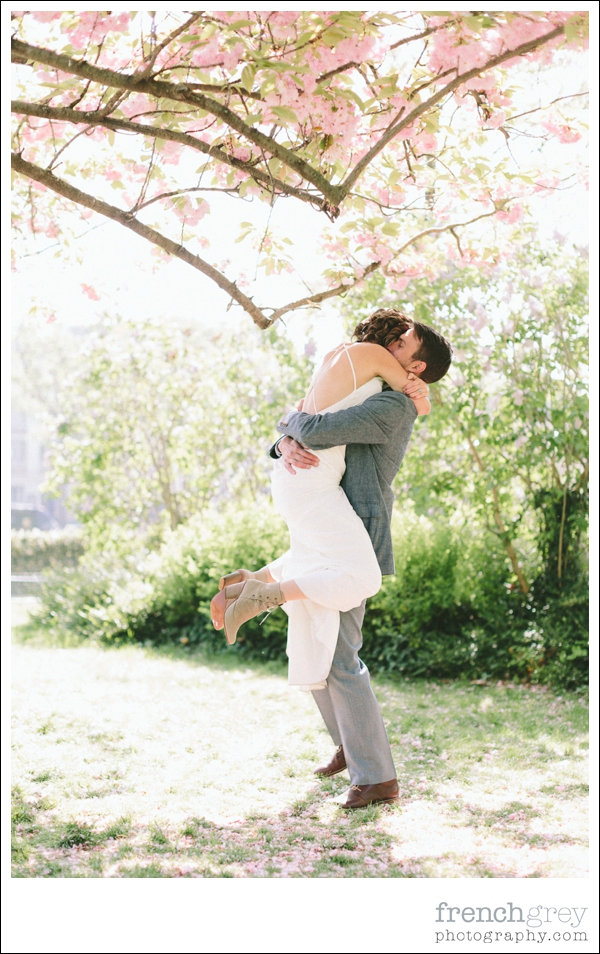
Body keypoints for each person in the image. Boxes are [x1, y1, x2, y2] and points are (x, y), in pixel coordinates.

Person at [211, 309, 453, 809]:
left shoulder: (392, 406)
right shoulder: (373, 387)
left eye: (406, 345)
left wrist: (289, 428)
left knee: (341, 656)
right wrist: (284, 443)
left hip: (356, 530)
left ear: (417, 369)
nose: (394, 345)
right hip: (328, 519)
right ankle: (350, 745)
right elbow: (309, 427)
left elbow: (316, 427)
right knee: (319, 646)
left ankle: (377, 777)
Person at [210, 310, 429, 668]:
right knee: (361, 577)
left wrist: (284, 438)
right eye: (397, 339)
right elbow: (417, 403)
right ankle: (261, 595)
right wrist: (423, 395)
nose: (393, 347)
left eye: (401, 344)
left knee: (321, 561)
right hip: (311, 478)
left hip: (298, 475)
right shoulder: (375, 359)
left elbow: (300, 412)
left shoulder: (337, 356)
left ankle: (250, 582)